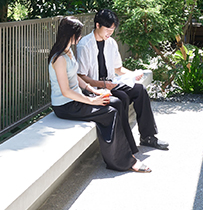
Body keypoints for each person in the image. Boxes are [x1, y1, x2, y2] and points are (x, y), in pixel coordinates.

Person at [48, 17, 150, 172]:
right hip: (66, 105)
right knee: (109, 113)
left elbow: (75, 77)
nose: (80, 36)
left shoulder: (67, 52)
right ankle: (122, 161)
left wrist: (94, 91)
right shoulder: (59, 58)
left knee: (115, 102)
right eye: (78, 33)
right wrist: (91, 101)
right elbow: (65, 91)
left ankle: (130, 150)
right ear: (70, 34)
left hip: (75, 100)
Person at [76, 9, 169, 152]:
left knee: (140, 90)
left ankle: (148, 136)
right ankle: (123, 143)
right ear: (97, 25)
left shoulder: (111, 43)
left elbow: (118, 69)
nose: (110, 33)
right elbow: (81, 76)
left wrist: (133, 74)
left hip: (111, 83)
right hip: (95, 88)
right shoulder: (84, 45)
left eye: (113, 29)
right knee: (123, 98)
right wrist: (102, 84)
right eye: (108, 29)